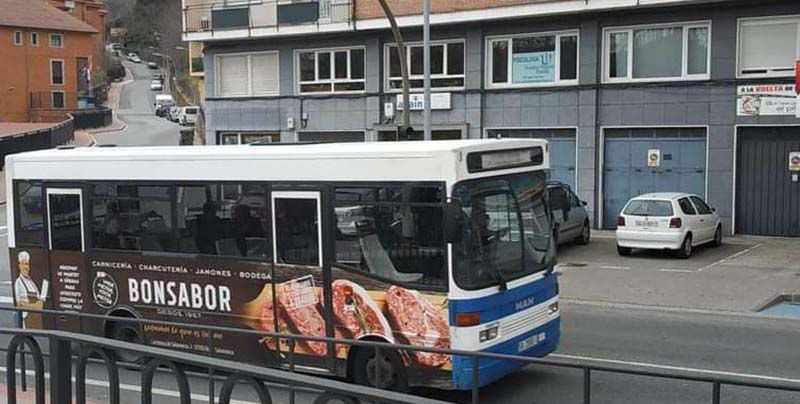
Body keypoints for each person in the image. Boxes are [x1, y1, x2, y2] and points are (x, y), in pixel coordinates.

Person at [13, 251, 45, 328]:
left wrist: (39, 303)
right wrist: (35, 306)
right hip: (27, 320)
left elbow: (40, 301)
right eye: (23, 264)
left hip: (37, 320)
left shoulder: (32, 283)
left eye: (27, 264)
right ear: (19, 266)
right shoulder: (18, 283)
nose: (25, 267)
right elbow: (19, 304)